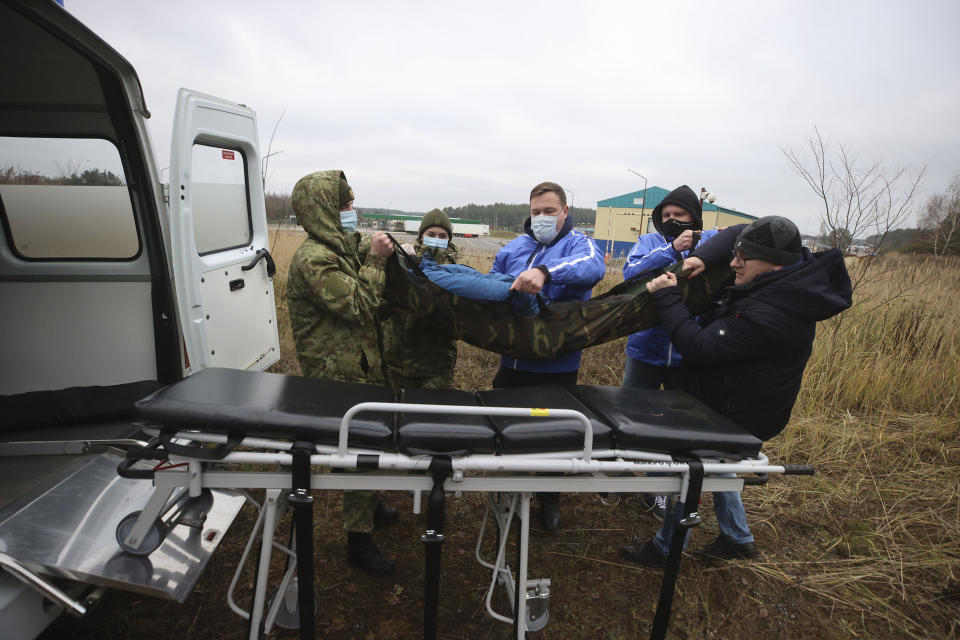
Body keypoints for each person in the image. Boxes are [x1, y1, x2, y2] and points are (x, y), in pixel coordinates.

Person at [620, 215, 852, 567]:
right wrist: (699, 258)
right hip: (741, 400)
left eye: (743, 259)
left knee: (689, 466)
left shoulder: (770, 313)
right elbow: (732, 235)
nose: (733, 263)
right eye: (736, 255)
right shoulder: (788, 278)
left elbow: (697, 346)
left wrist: (667, 297)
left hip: (737, 412)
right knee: (716, 464)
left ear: (771, 263)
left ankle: (667, 549)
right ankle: (737, 537)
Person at [286, 169, 399, 576]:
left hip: (358, 371)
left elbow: (354, 245)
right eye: (346, 207)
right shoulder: (313, 259)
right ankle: (358, 539)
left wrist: (375, 247)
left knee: (369, 450)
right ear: (324, 213)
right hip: (338, 380)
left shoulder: (333, 247)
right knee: (357, 456)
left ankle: (370, 506)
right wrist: (376, 259)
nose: (354, 212)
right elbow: (359, 304)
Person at [490, 181, 605, 531]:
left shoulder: (578, 244)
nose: (542, 217)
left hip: (558, 365)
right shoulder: (513, 247)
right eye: (536, 212)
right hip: (513, 361)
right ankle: (504, 492)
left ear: (565, 212)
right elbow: (493, 281)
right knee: (504, 428)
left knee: (557, 434)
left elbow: (593, 267)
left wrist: (545, 271)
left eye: (550, 211)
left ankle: (549, 498)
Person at [621, 185, 720, 519]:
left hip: (687, 353)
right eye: (666, 216)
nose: (673, 221)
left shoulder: (710, 246)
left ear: (695, 217)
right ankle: (619, 475)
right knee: (631, 417)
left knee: (677, 428)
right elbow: (629, 273)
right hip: (645, 349)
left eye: (680, 215)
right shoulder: (650, 243)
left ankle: (659, 488)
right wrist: (671, 250)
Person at [384, 209, 459, 390]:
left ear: (449, 240)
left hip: (436, 364)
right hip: (397, 360)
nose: (436, 239)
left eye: (442, 236)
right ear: (420, 237)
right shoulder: (403, 259)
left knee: (431, 414)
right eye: (431, 234)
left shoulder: (455, 270)